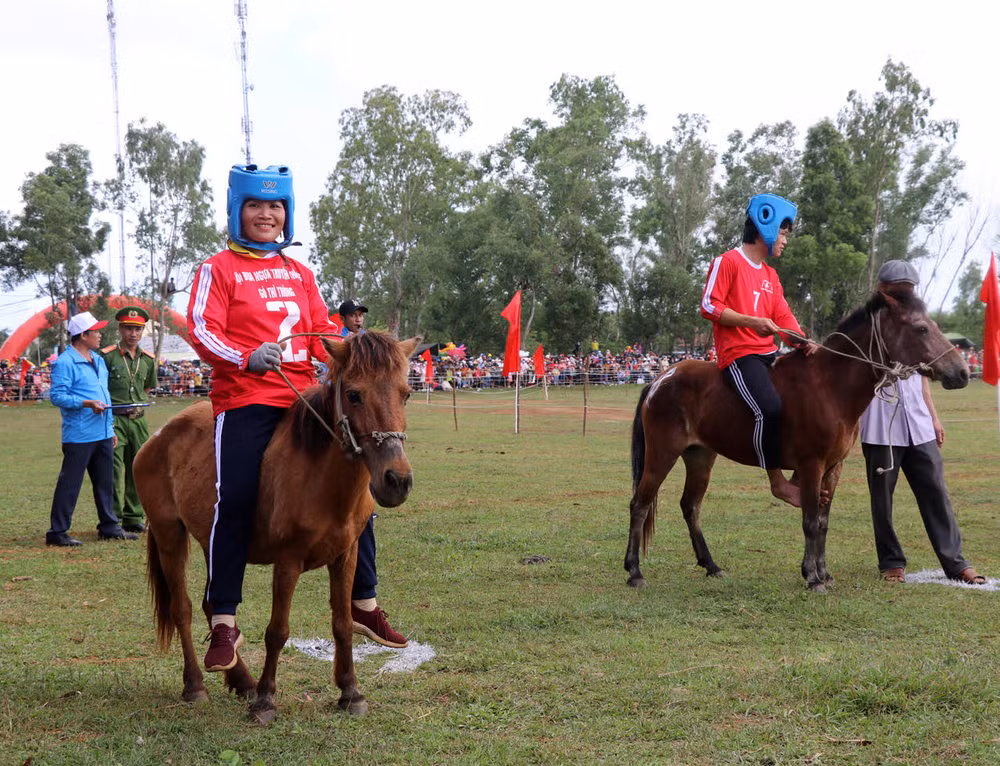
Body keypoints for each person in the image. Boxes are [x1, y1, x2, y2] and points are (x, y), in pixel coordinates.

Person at [860, 260, 985, 585]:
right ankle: (891, 562)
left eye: (909, 287)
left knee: (935, 493)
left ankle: (956, 563)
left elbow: (923, 376)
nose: (905, 293)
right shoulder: (869, 324)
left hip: (918, 423)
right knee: (882, 499)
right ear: (883, 290)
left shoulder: (919, 323)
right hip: (880, 424)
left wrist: (934, 417)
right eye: (898, 287)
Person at [700, 193, 819, 508]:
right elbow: (709, 305)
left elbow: (784, 319)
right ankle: (777, 481)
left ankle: (803, 470)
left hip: (770, 355)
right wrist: (752, 322)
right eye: (783, 231)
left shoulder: (771, 276)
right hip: (739, 356)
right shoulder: (727, 262)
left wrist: (804, 342)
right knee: (770, 408)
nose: (784, 240)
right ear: (765, 223)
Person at [337, 298, 409, 650]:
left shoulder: (370, 346)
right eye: (353, 314)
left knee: (364, 512)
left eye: (361, 314)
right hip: (333, 425)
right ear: (343, 318)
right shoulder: (338, 343)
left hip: (363, 432)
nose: (357, 319)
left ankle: (364, 603)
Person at [46, 311, 138, 546]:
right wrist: (86, 403)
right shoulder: (65, 362)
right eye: (95, 331)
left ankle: (108, 526)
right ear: (83, 335)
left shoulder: (98, 360)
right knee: (70, 484)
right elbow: (57, 396)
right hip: (79, 435)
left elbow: (104, 395)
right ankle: (57, 532)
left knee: (105, 483)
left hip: (103, 433)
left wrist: (111, 427)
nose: (99, 334)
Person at [100, 305, 157, 533]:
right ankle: (112, 519)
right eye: (128, 329)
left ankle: (134, 517)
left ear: (142, 331)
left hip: (139, 420)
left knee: (139, 467)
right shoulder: (107, 356)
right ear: (120, 330)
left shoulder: (149, 360)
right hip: (115, 419)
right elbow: (100, 389)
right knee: (113, 469)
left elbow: (147, 387)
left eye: (137, 329)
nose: (133, 334)